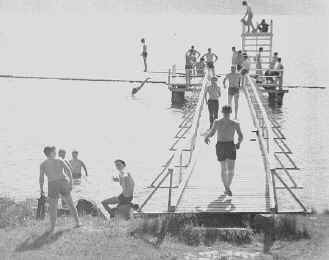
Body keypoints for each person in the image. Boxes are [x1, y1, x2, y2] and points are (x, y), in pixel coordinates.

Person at [39, 146, 81, 232]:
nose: (55, 152)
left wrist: (41, 189)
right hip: (63, 182)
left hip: (53, 184)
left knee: (53, 207)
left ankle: (52, 228)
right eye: (54, 151)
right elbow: (68, 170)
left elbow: (41, 178)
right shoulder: (59, 160)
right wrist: (70, 183)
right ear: (51, 153)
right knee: (70, 203)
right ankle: (78, 222)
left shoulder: (43, 164)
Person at [204, 106, 243, 196]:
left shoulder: (217, 122)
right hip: (230, 145)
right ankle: (227, 187)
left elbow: (212, 132)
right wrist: (239, 143)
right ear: (231, 112)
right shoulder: (235, 123)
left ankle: (226, 188)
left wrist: (207, 137)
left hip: (220, 145)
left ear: (222, 112)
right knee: (231, 170)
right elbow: (241, 136)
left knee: (223, 169)